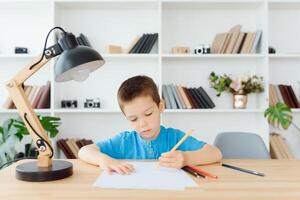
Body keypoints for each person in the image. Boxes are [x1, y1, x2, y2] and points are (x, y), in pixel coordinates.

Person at [78, 75, 222, 175]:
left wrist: (186, 158)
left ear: (160, 107)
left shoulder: (174, 137)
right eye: (133, 119)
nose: (142, 123)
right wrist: (103, 160)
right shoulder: (124, 141)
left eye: (148, 114)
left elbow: (215, 153)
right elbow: (83, 151)